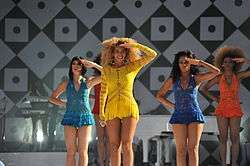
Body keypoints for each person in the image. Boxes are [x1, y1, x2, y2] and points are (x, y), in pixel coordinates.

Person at [99, 37, 158, 166]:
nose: (119, 54)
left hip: (129, 108)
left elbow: (152, 54)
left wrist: (133, 45)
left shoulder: (132, 67)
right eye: (117, 51)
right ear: (112, 53)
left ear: (126, 53)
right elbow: (103, 92)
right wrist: (101, 112)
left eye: (123, 51)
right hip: (111, 109)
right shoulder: (106, 69)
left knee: (127, 144)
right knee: (114, 146)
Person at [156, 50, 220, 166]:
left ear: (191, 63)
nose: (184, 64)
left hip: (194, 114)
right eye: (181, 62)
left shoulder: (196, 78)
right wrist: (173, 106)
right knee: (181, 151)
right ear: (177, 64)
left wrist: (199, 62)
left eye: (186, 61)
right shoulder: (173, 79)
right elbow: (159, 96)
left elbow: (216, 72)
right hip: (178, 116)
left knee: (193, 149)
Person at [49, 56, 102, 166]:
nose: (76, 66)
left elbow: (108, 75)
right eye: (74, 63)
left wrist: (94, 65)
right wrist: (65, 104)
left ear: (83, 67)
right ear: (71, 66)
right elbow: (52, 98)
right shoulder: (66, 83)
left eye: (79, 64)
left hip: (85, 118)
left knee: (83, 152)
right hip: (69, 118)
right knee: (71, 152)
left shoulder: (88, 81)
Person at [202, 46, 250, 166]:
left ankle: (234, 163)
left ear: (234, 64)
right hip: (222, 108)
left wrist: (245, 61)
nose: (228, 64)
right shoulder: (219, 77)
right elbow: (204, 88)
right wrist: (215, 98)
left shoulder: (238, 76)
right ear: (222, 64)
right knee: (223, 139)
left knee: (235, 138)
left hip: (235, 108)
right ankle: (224, 164)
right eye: (225, 62)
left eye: (230, 62)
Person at [92, 55, 109, 166]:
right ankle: (101, 162)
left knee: (109, 138)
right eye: (101, 62)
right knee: (100, 137)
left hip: (111, 109)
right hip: (98, 109)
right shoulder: (94, 78)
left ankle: (109, 162)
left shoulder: (111, 75)